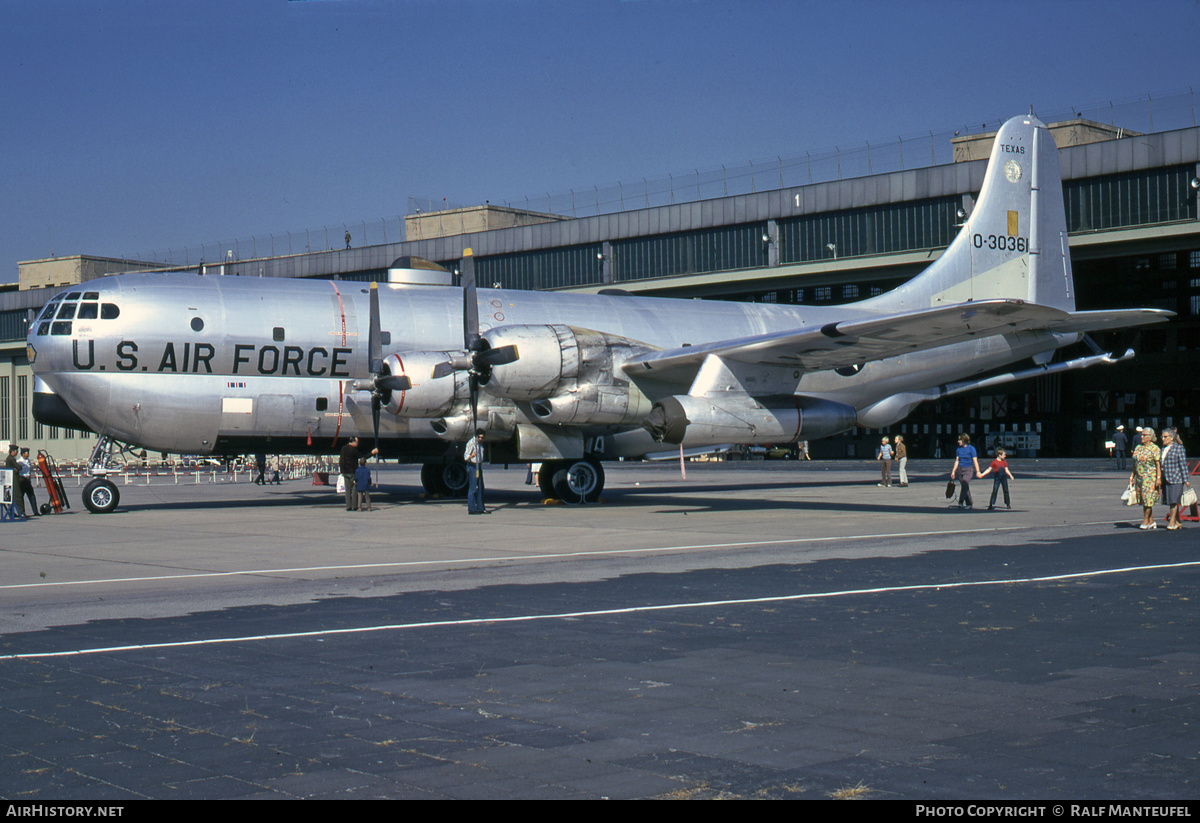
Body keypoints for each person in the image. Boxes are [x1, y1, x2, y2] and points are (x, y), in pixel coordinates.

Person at [1129, 427, 1162, 530]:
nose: (1141, 437)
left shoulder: (1155, 448)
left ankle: (1145, 521)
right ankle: (1151, 521)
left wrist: (1158, 478)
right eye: (1141, 435)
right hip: (1139, 477)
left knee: (1148, 499)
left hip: (1150, 477)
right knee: (1144, 500)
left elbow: (1158, 465)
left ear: (1150, 437)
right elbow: (1135, 463)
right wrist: (1132, 476)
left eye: (1144, 435)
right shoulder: (1138, 447)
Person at [1160, 428, 1189, 530]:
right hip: (1166, 479)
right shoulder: (1163, 449)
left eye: (1165, 437)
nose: (1163, 439)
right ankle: (1177, 521)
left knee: (1173, 501)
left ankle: (1172, 522)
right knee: (1171, 501)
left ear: (1172, 438)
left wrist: (1186, 479)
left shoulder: (1179, 448)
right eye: (1162, 437)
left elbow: (1183, 465)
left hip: (1176, 478)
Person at [338, 437, 377, 511]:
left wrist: (342, 471)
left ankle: (348, 506)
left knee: (347, 490)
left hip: (345, 472)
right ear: (353, 442)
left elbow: (341, 460)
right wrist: (372, 453)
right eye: (357, 442)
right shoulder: (353, 450)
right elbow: (363, 457)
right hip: (353, 472)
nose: (358, 444)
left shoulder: (343, 449)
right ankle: (354, 505)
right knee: (354, 489)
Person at [949, 433, 981, 509]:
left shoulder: (971, 449)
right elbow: (957, 461)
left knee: (964, 483)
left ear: (964, 440)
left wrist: (978, 471)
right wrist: (953, 471)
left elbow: (975, 461)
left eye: (960, 440)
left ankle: (961, 502)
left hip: (968, 470)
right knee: (965, 487)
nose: (958, 441)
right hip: (960, 470)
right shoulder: (958, 449)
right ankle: (969, 503)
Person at [464, 429, 486, 514]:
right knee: (473, 488)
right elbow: (465, 457)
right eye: (479, 437)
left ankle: (481, 507)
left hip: (478, 465)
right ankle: (472, 509)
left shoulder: (479, 443)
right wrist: (471, 455)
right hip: (473, 465)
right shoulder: (471, 443)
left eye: (482, 438)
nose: (480, 439)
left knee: (480, 487)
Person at [5, 444, 27, 518]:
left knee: (11, 496)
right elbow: (19, 467)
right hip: (14, 478)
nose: (17, 453)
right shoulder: (11, 459)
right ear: (13, 451)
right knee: (18, 495)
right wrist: (17, 468)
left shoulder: (9, 458)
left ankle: (12, 512)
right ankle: (21, 513)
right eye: (16, 451)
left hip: (10, 478)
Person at [17, 447, 38, 516]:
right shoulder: (19, 461)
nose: (28, 454)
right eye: (27, 453)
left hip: (27, 480)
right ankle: (22, 513)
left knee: (32, 496)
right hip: (22, 480)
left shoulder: (28, 461)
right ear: (23, 454)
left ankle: (35, 511)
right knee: (21, 497)